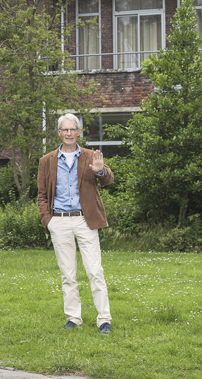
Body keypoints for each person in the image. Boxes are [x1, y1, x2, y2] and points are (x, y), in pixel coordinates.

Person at [37, 113, 114, 334]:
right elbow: (42, 195)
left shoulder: (91, 156)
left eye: (73, 129)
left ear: (79, 132)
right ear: (59, 133)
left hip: (85, 221)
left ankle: (104, 319)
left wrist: (99, 170)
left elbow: (108, 179)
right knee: (68, 274)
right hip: (59, 222)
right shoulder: (46, 161)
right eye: (65, 130)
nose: (69, 133)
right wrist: (48, 221)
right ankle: (73, 318)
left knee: (95, 271)